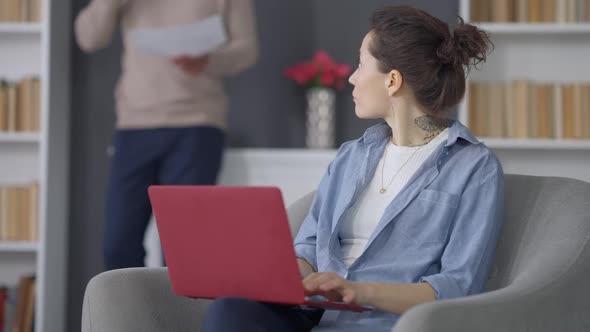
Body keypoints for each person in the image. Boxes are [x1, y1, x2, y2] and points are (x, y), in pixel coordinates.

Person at [202, 5, 503, 332]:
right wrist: (278, 274)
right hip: (313, 315)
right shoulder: (352, 157)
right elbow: (307, 248)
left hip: (389, 322)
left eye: (361, 65)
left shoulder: (473, 166)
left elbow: (458, 285)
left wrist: (359, 291)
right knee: (230, 310)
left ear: (392, 81)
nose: (351, 77)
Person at [74, 0, 258, 270]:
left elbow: (247, 49)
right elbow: (88, 38)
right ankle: (129, 313)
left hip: (197, 126)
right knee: (117, 246)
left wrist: (209, 61)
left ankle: (176, 314)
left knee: (183, 249)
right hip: (134, 125)